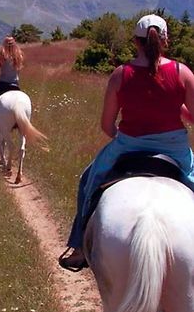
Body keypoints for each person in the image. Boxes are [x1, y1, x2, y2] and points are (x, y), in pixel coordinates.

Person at [59, 14, 194, 271]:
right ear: (165, 39)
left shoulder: (121, 74)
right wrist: (179, 110)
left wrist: (125, 136)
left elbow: (107, 126)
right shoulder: (182, 72)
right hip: (175, 150)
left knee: (89, 180)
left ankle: (78, 247)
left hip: (129, 146)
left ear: (135, 41)